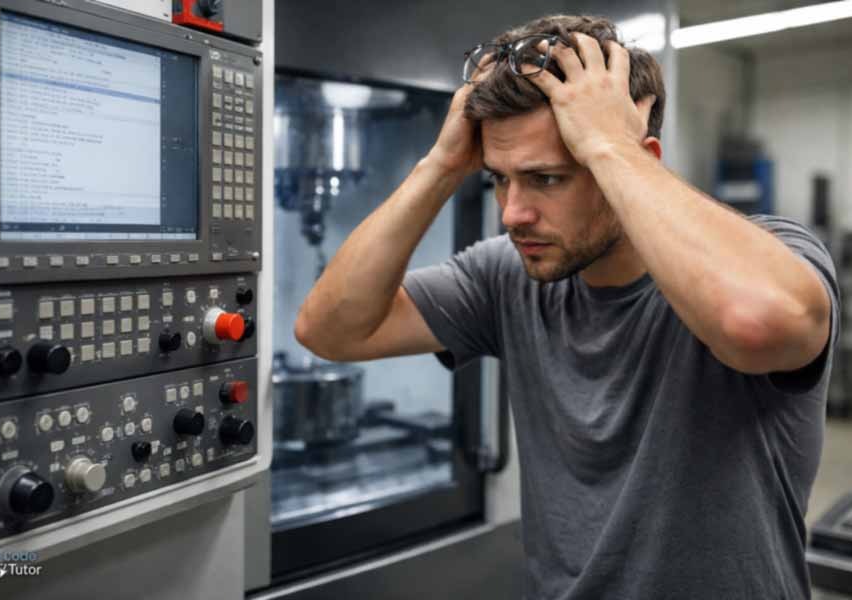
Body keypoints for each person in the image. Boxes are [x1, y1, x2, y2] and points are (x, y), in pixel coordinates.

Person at [295, 14, 839, 600]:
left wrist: (607, 144)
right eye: (500, 180)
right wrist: (441, 167)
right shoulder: (508, 273)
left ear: (638, 159)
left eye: (547, 179)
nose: (513, 213)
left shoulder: (772, 253)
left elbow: (757, 324)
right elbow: (330, 330)